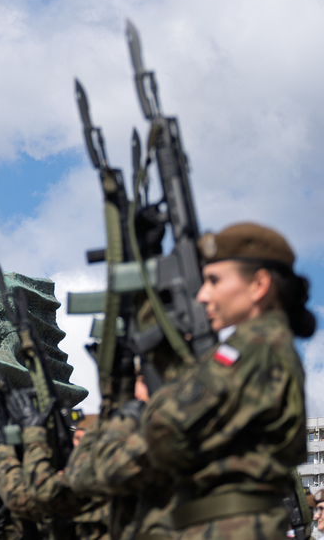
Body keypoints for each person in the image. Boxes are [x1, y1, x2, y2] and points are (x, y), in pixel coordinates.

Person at [140, 222, 315, 540]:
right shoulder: (263, 345)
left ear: (259, 284)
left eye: (214, 280)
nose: (203, 295)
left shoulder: (255, 346)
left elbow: (164, 432)